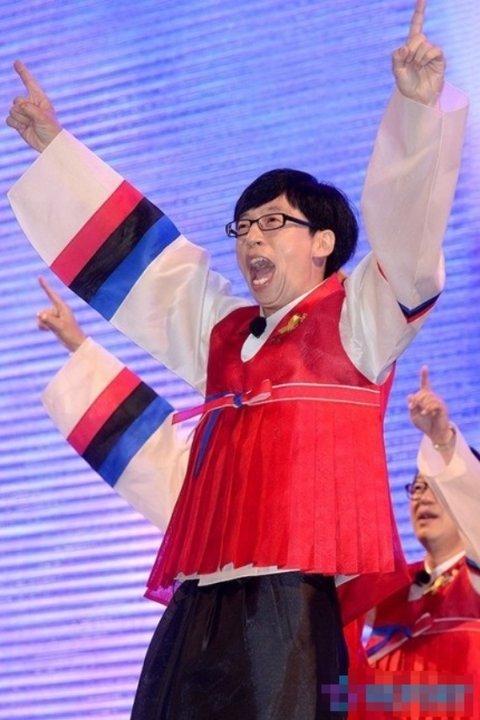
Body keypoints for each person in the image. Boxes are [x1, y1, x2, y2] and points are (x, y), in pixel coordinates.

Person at [6, 1, 469, 717]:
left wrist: (414, 110)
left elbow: (409, 240)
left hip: (288, 599)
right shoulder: (224, 330)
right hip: (198, 600)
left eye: (273, 222)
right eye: (243, 226)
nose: (252, 237)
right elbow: (153, 266)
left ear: (323, 243)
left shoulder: (360, 320)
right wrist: (53, 148)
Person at [361, 367, 480, 717]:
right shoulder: (386, 591)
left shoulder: (473, 580)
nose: (423, 497)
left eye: (435, 487)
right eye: (416, 487)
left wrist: (441, 440)